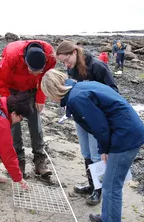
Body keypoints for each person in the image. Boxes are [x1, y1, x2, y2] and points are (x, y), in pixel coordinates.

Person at [41, 69, 144, 222]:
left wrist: (104, 150)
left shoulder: (77, 98)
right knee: (109, 183)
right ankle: (107, 217)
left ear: (53, 90)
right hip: (126, 131)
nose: (50, 99)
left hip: (125, 136)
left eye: (48, 95)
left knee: (111, 186)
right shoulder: (80, 87)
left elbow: (100, 127)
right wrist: (104, 148)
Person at [56, 40, 119, 206]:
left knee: (97, 154)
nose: (65, 64)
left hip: (96, 118)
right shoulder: (72, 68)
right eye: (62, 62)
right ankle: (91, 185)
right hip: (80, 116)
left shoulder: (98, 66)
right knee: (86, 152)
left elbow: (113, 91)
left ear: (74, 52)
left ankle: (98, 191)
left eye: (66, 60)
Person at [0, 40, 56, 179]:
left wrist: (40, 97)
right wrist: (10, 101)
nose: (34, 74)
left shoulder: (50, 55)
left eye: (37, 72)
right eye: (31, 70)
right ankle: (19, 162)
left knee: (36, 125)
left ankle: (40, 162)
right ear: (25, 61)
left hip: (32, 90)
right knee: (14, 127)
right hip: (12, 91)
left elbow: (46, 77)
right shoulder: (12, 56)